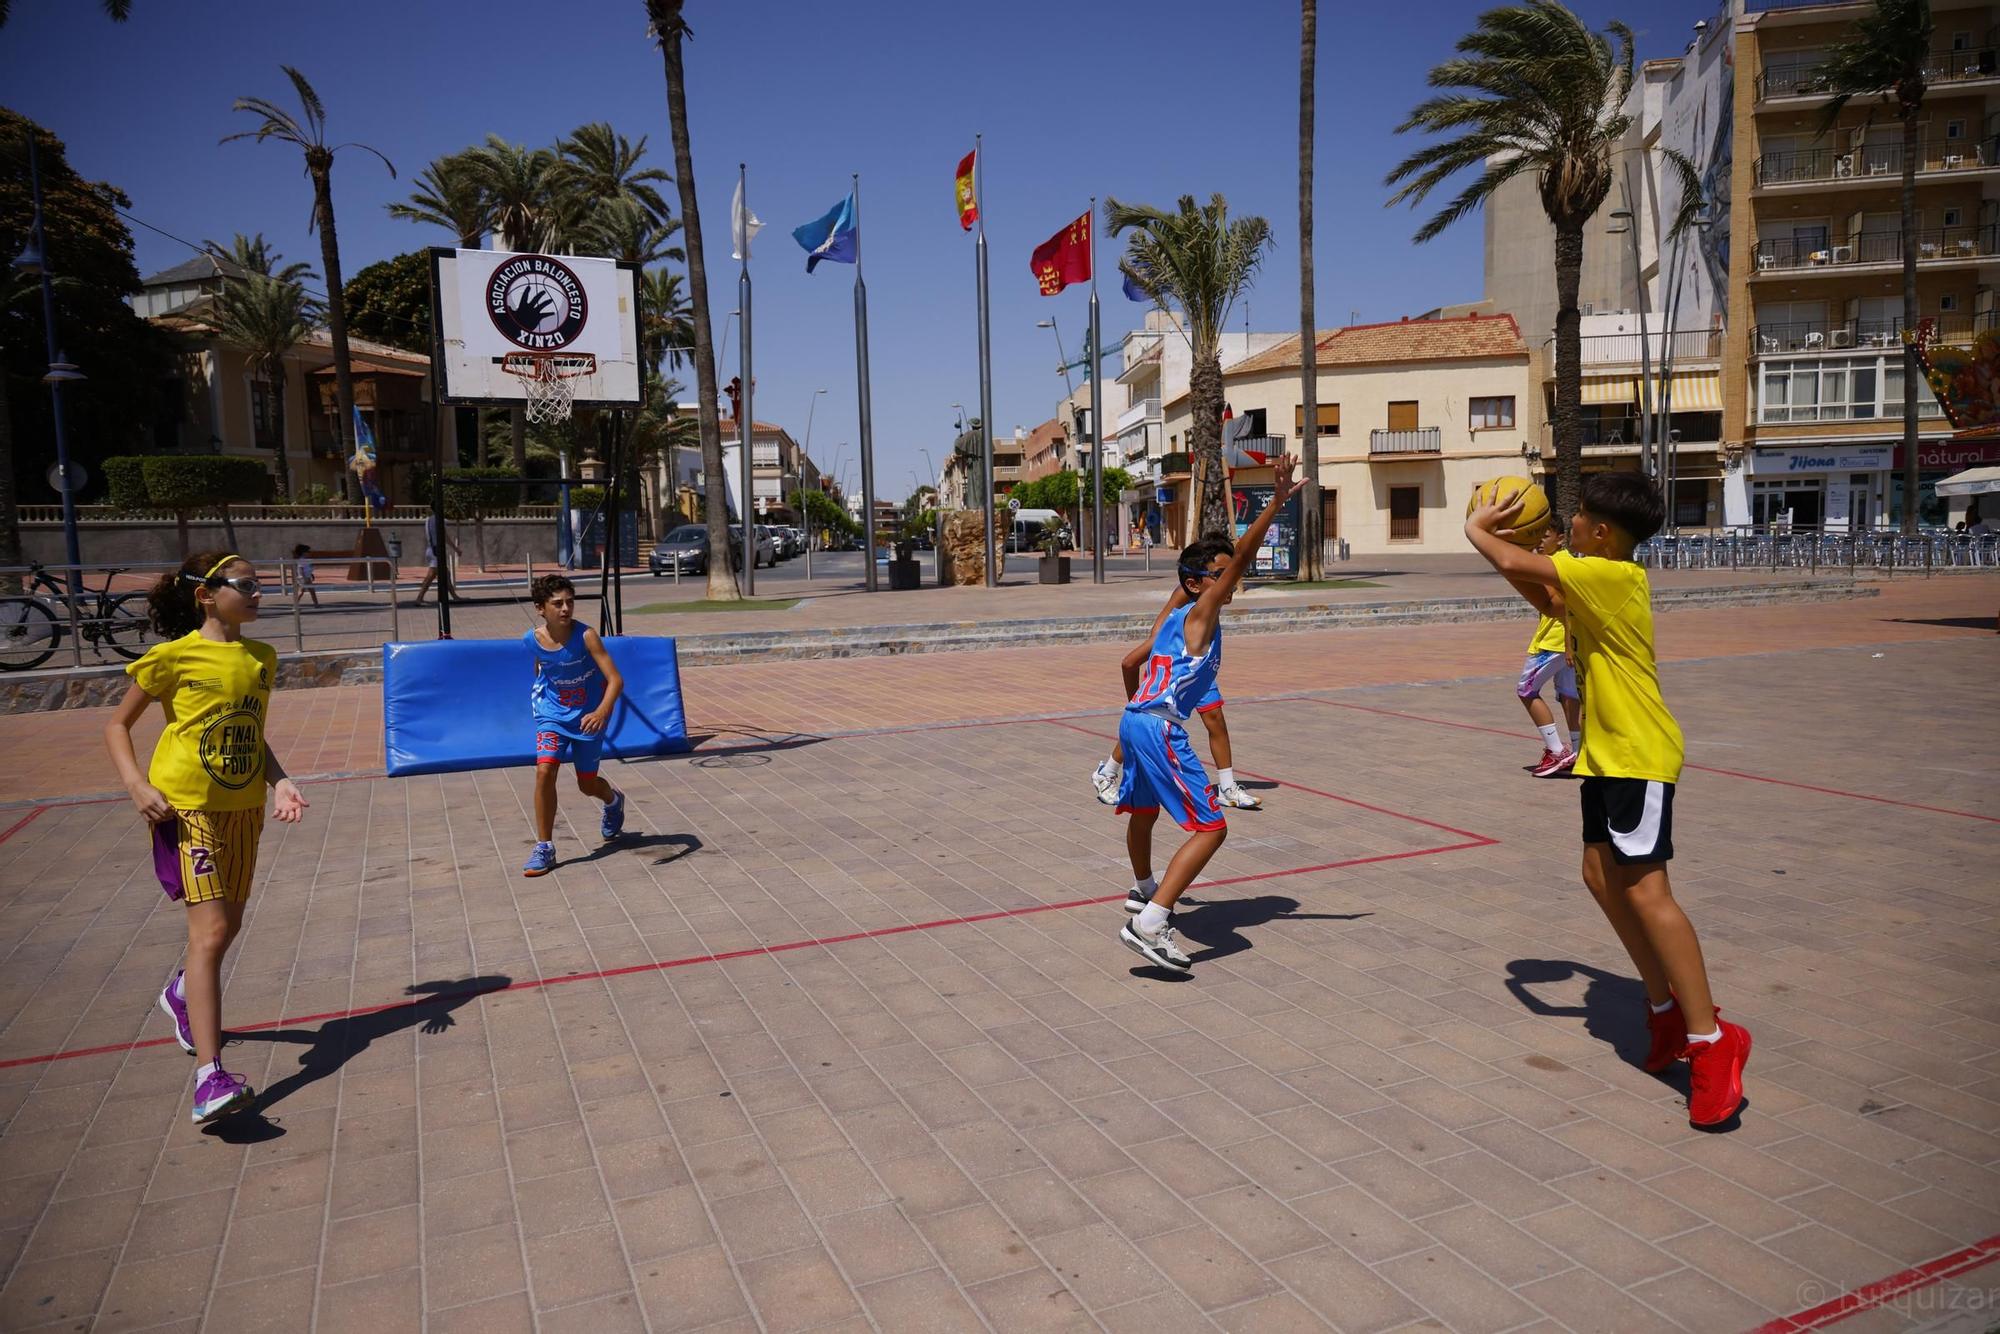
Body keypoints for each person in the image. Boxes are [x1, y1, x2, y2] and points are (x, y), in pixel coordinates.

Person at [1466, 473, 1750, 1129]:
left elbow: (1517, 563)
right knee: (1599, 875)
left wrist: (1477, 528)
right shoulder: (1597, 577)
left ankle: (1713, 1040)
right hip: (1606, 754)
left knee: (1649, 893)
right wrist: (1511, 551)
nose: (1566, 526)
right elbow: (1547, 599)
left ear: (1600, 533)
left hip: (1639, 755)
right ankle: (1664, 1010)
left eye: (1577, 519)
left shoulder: (1613, 575)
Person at [103, 552, 309, 1124]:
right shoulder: (172, 656)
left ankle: (180, 994)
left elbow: (252, 735)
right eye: (246, 585)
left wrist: (280, 781)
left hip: (242, 811)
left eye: (259, 584)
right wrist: (136, 785)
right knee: (211, 933)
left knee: (226, 929)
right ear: (206, 594)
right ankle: (209, 1078)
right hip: (185, 808)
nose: (258, 593)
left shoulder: (261, 658)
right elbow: (116, 726)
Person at [1118, 456, 1302, 975]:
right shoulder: (1200, 613)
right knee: (1211, 828)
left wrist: (1119, 748)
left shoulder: (1175, 615)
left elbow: (1133, 664)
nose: (1230, 581)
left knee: (1144, 812)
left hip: (1136, 720)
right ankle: (1150, 921)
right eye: (1219, 576)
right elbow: (1242, 558)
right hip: (1159, 726)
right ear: (1198, 584)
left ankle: (1144, 891)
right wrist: (1276, 502)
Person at [1092, 587, 1262, 810]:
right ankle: (1107, 772)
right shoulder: (1187, 590)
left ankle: (1227, 787)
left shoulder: (1215, 594)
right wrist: (1161, 652)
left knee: (1215, 719)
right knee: (1147, 723)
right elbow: (1158, 629)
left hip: (1199, 670)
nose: (1230, 585)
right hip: (1176, 670)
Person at [523, 574, 628, 876]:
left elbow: (616, 680)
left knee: (587, 784)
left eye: (569, 602)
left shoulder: (587, 636)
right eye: (557, 603)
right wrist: (545, 697)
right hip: (551, 716)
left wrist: (601, 712)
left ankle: (613, 801)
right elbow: (541, 667)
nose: (566, 608)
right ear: (540, 608)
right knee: (544, 771)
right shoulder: (531, 640)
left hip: (588, 718)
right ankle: (544, 847)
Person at [1513, 527, 1582, 778]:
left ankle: (1556, 750)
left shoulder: (1557, 565)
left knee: (1526, 690)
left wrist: (1568, 644)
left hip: (1553, 644)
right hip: (1565, 643)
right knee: (1568, 695)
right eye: (1536, 536)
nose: (1539, 542)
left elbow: (1570, 606)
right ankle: (1578, 752)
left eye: (1545, 536)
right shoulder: (1560, 561)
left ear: (1560, 538)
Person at [412, 509, 459, 605]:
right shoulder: (439, 520)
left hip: (431, 550)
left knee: (445, 574)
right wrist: (456, 549)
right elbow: (444, 536)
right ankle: (419, 599)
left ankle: (455, 596)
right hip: (436, 552)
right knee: (431, 576)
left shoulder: (428, 520)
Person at [290, 543, 320, 608]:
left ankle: (316, 605)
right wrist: (303, 578)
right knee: (301, 592)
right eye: (308, 551)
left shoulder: (307, 559)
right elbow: (301, 569)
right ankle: (295, 605)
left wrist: (311, 574)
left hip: (308, 577)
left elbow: (308, 569)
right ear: (303, 553)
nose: (309, 553)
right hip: (303, 578)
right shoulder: (302, 560)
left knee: (312, 591)